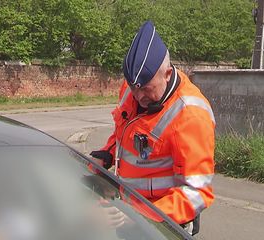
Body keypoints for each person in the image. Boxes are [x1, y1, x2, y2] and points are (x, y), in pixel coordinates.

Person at [90, 21, 215, 235]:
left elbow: (197, 193)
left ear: (167, 74)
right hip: (130, 217)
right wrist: (107, 153)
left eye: (147, 89)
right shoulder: (135, 86)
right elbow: (124, 131)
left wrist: (138, 215)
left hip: (162, 227)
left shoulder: (191, 115)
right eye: (133, 88)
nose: (138, 97)